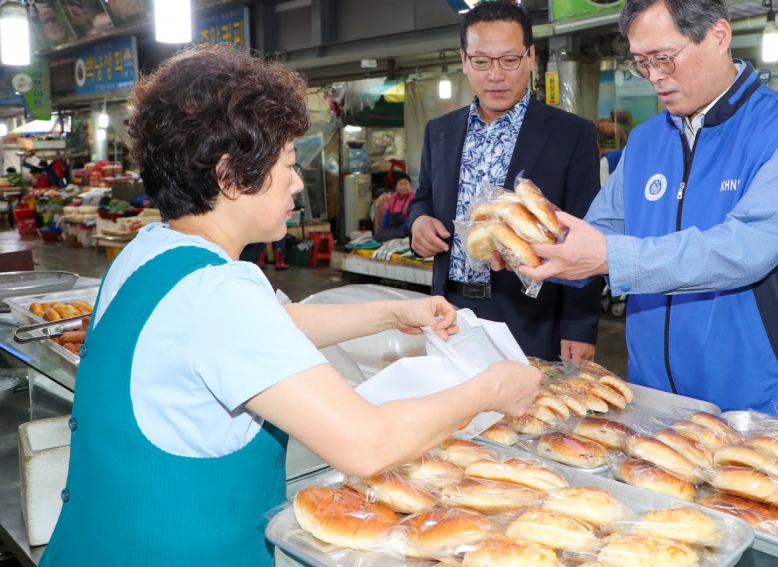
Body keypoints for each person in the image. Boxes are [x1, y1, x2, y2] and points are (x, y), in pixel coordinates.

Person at [41, 45, 541, 567]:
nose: (298, 182)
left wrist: (393, 314)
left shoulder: (149, 252)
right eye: (287, 164)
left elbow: (271, 328)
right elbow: (366, 444)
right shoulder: (219, 292)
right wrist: (491, 388)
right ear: (232, 175)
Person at [518, 0, 778, 413]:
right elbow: (601, 228)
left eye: (664, 57)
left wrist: (611, 257)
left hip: (760, 387)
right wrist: (534, 246)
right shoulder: (647, 139)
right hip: (653, 383)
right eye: (641, 62)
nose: (654, 76)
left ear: (718, 35)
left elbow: (746, 248)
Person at [408, 0, 602, 362]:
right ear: (464, 60)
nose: (495, 75)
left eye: (509, 60)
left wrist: (579, 325)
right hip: (450, 313)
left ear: (530, 57)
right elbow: (425, 196)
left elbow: (586, 232)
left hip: (530, 317)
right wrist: (418, 220)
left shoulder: (570, 135)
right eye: (481, 61)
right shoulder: (440, 131)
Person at [374, 171, 415, 242]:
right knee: (378, 237)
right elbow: (387, 214)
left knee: (391, 238)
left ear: (410, 185)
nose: (403, 187)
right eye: (400, 184)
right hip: (393, 227)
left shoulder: (414, 197)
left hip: (407, 229)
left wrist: (402, 229)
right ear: (396, 187)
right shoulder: (393, 197)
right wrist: (383, 228)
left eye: (406, 184)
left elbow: (413, 217)